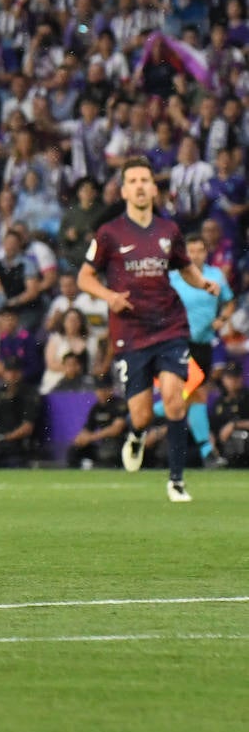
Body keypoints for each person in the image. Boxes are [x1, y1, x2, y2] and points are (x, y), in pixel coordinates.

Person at [78, 156, 221, 502]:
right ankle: (137, 434)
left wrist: (202, 283)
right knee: (140, 414)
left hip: (171, 325)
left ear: (154, 189)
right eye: (134, 181)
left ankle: (176, 481)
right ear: (125, 189)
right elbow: (84, 277)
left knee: (175, 400)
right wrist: (109, 296)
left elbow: (184, 267)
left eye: (146, 180)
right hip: (131, 333)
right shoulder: (109, 233)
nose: (141, 185)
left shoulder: (169, 231)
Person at [168, 233, 233, 465]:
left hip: (204, 342)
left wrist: (222, 318)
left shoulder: (215, 275)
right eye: (191, 251)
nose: (195, 255)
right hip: (179, 341)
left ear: (206, 252)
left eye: (199, 250)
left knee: (193, 396)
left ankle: (140, 416)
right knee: (194, 393)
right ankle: (207, 452)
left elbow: (229, 301)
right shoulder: (174, 275)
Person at [0, 357, 43, 468]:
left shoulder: (30, 394)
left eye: (15, 371)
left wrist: (1, 438)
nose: (12, 375)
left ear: (20, 373)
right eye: (9, 371)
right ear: (4, 373)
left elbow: (27, 428)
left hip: (15, 442)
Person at [66, 374, 128, 469]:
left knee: (108, 452)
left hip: (119, 444)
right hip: (102, 443)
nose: (100, 392)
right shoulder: (96, 408)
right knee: (74, 450)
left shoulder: (119, 404)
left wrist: (92, 437)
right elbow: (87, 428)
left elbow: (116, 429)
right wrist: (80, 439)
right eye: (98, 389)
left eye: (103, 389)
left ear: (110, 389)